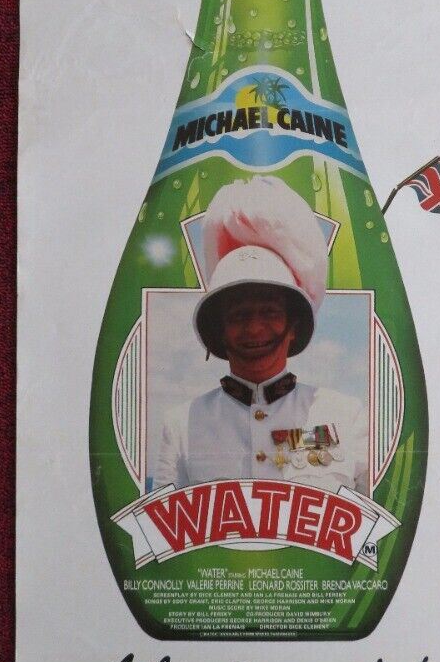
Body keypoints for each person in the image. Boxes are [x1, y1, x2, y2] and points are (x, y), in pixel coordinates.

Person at [154, 176, 368, 495]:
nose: (254, 329)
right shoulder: (180, 425)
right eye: (239, 315)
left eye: (269, 312)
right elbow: (160, 522)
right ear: (219, 330)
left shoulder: (346, 416)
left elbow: (376, 520)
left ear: (294, 326)